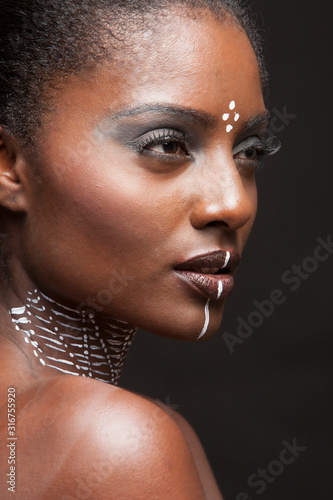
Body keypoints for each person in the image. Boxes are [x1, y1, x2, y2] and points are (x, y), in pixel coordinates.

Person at [0, 1, 280, 498]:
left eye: (249, 152)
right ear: (10, 167)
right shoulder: (115, 441)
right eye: (167, 144)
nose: (233, 203)